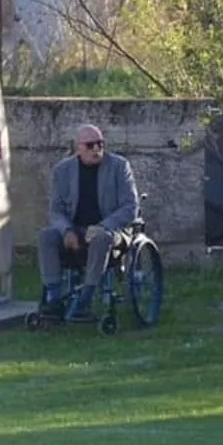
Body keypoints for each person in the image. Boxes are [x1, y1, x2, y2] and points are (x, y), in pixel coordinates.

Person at [37, 124, 139, 322]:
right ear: (79, 148)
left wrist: (103, 226)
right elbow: (56, 210)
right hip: (75, 228)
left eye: (100, 144)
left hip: (110, 230)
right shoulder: (63, 170)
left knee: (101, 238)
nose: (97, 149)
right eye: (90, 145)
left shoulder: (119, 166)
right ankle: (54, 298)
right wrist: (66, 230)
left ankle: (86, 299)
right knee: (46, 236)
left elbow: (130, 207)